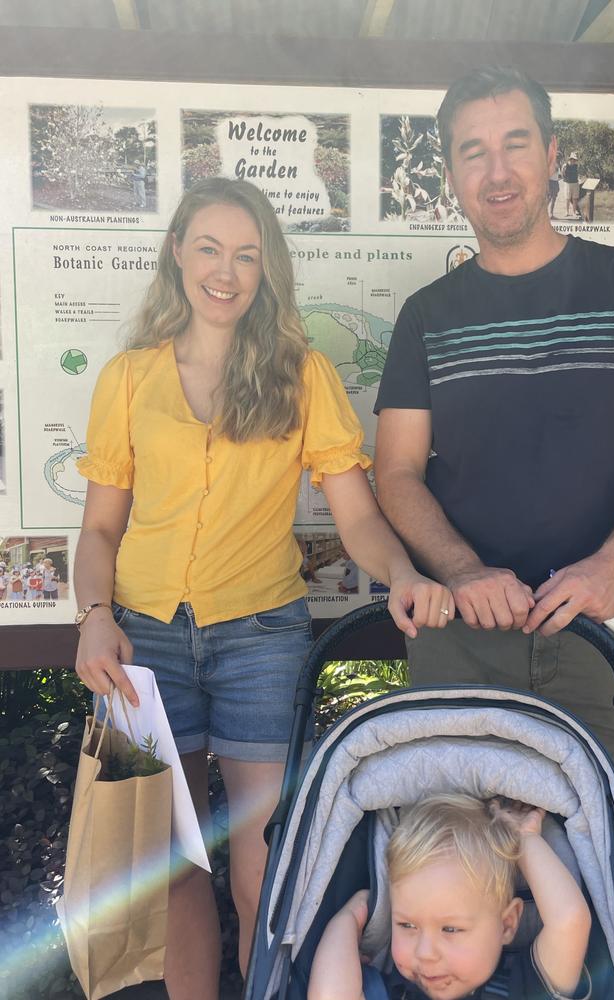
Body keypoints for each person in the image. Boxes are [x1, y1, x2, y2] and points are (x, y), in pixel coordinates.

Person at [74, 177, 453, 1000]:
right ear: (177, 251)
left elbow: (355, 515)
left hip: (261, 642)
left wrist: (403, 574)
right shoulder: (128, 379)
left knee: (263, 864)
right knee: (166, 863)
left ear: (266, 269)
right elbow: (100, 528)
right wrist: (93, 617)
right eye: (208, 247)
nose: (225, 270)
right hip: (141, 650)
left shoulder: (301, 373)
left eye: (246, 255)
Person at [374, 66, 614, 806]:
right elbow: (395, 472)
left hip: (595, 636)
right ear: (452, 173)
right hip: (460, 639)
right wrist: (462, 572)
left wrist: (612, 568)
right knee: (454, 890)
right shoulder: (426, 316)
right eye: (473, 151)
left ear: (553, 154)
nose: (497, 173)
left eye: (516, 144)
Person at [308, 793, 591, 1000]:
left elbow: (569, 921)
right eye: (407, 925)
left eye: (451, 929)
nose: (425, 953)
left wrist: (525, 838)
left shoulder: (527, 987)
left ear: (506, 924)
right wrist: (353, 915)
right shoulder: (392, 990)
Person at [562, 152, 581, 219]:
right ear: (570, 159)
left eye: (574, 159)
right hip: (568, 184)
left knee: (575, 198)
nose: (573, 160)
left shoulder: (576, 166)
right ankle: (566, 212)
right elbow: (563, 174)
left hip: (575, 183)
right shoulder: (565, 165)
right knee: (567, 198)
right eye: (572, 159)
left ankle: (574, 212)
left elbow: (579, 174)